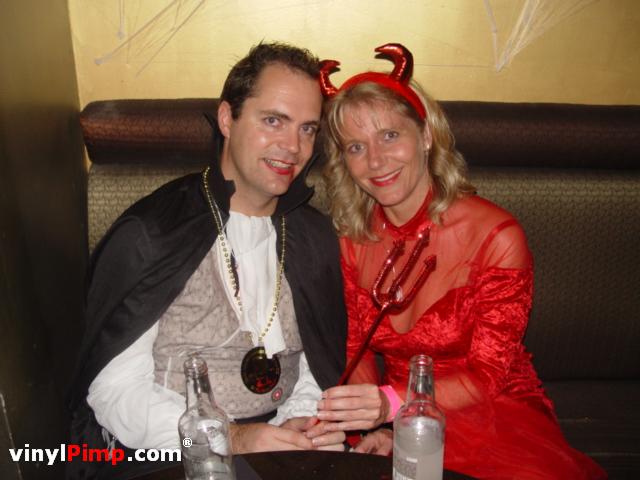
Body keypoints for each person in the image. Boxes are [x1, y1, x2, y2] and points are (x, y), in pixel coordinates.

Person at [316, 43, 607, 479]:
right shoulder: (352, 241)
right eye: (356, 147)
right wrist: (374, 424)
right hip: (398, 415)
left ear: (425, 136)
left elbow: (487, 377)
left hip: (493, 412)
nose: (375, 160)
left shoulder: (496, 237)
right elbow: (355, 352)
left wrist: (393, 405)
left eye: (390, 136)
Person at [67, 42, 356, 479]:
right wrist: (232, 438)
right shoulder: (153, 233)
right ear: (226, 118)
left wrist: (297, 421)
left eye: (307, 129)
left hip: (279, 445)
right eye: (273, 120)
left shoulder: (314, 237)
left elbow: (318, 364)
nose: (293, 147)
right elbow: (115, 390)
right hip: (166, 451)